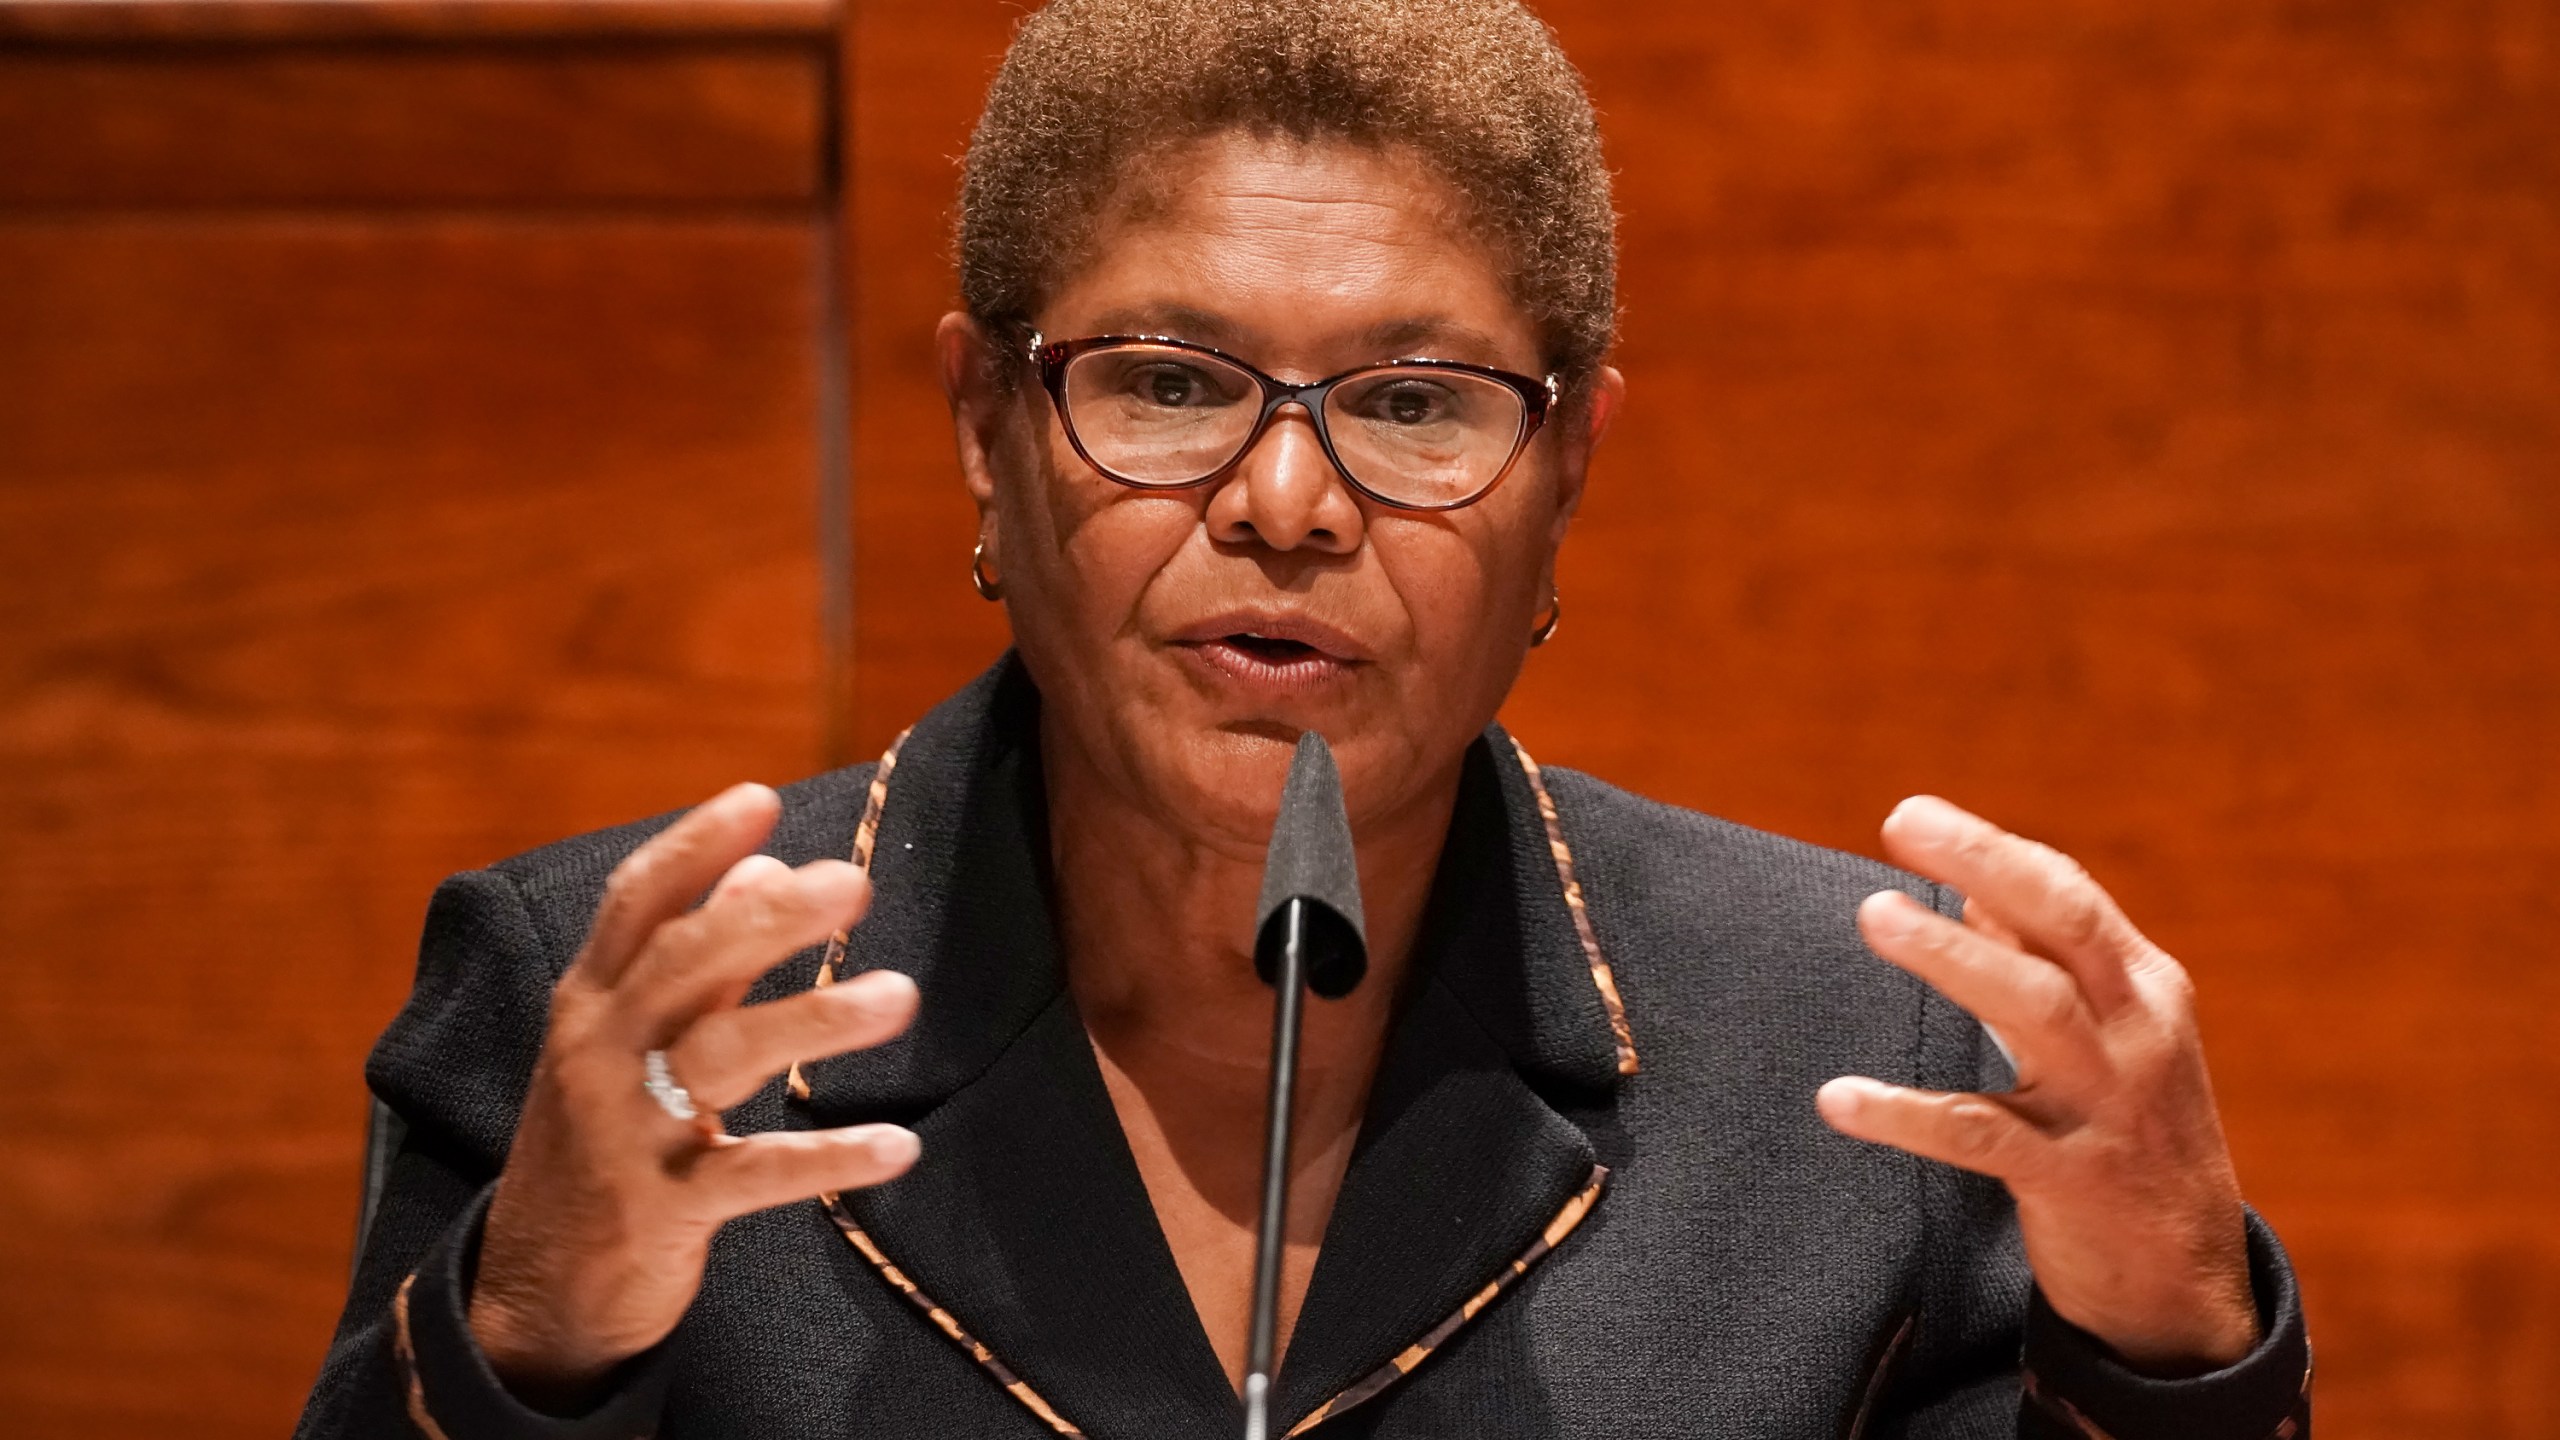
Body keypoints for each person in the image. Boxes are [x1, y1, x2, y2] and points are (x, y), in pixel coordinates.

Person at [296, 2, 2313, 1436]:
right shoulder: (604, 1014)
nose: (1282, 502)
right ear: (984, 431)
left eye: (1415, 404)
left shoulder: (1867, 1078)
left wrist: (2171, 1352)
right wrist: (534, 1336)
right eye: (1168, 382)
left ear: (1568, 474)